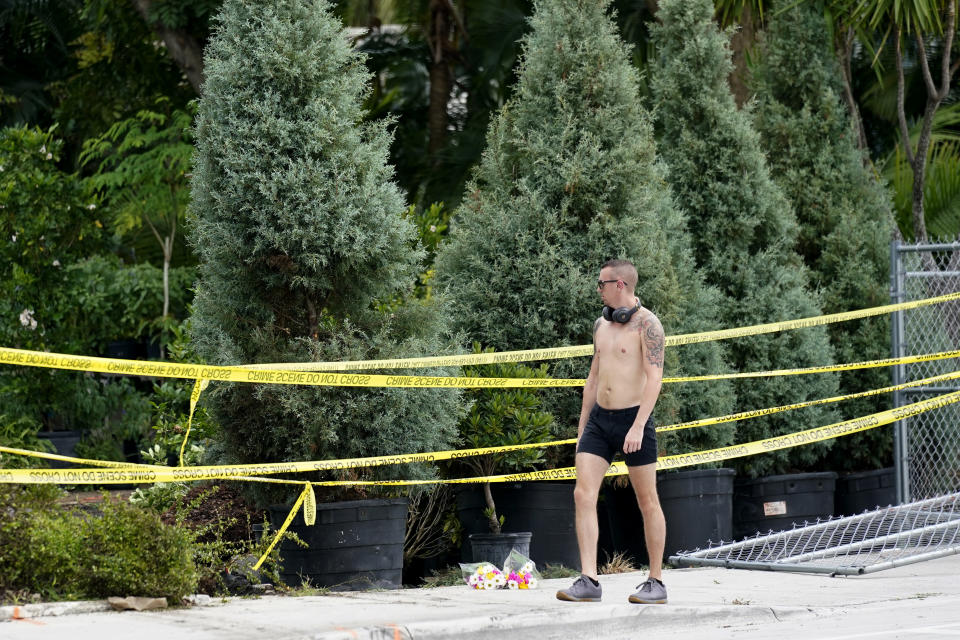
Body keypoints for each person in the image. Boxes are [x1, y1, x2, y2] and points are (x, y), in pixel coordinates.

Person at [556, 259, 667, 604]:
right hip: (600, 422)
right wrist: (583, 423)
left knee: (647, 500)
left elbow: (654, 379)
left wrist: (637, 425)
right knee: (582, 494)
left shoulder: (648, 325)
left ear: (620, 284)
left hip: (634, 418)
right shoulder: (600, 326)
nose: (598, 289)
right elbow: (593, 376)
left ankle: (656, 581)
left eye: (601, 283)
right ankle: (589, 579)